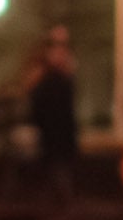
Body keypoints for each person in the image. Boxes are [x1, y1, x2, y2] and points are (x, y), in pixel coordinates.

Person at [23, 24, 81, 193]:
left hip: (63, 144)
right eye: (54, 45)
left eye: (64, 46)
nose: (60, 51)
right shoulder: (40, 80)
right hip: (45, 146)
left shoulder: (65, 79)